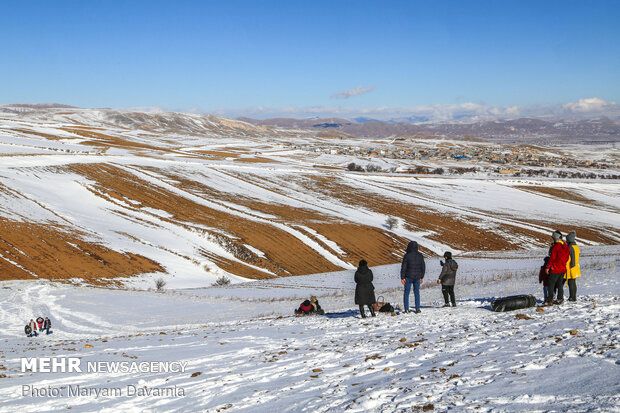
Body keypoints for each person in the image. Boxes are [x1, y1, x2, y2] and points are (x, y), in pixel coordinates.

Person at [545, 230, 570, 306]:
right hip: (563, 269)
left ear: (555, 238)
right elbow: (567, 258)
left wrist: (548, 267)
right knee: (560, 285)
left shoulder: (556, 247)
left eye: (553, 238)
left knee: (551, 285)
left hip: (555, 269)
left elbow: (552, 258)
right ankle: (560, 299)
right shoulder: (565, 246)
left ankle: (550, 300)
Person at [401, 241, 425, 313]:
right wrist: (422, 277)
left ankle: (407, 309)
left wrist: (402, 277)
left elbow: (403, 267)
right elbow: (423, 267)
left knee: (406, 293)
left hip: (408, 277)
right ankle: (417, 309)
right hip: (417, 277)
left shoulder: (407, 255)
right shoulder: (420, 256)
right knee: (417, 293)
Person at [565, 231, 581, 302]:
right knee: (573, 282)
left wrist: (572, 265)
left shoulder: (570, 247)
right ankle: (573, 297)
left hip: (570, 267)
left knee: (571, 283)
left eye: (567, 239)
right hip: (575, 267)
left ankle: (572, 297)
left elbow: (572, 257)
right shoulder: (576, 246)